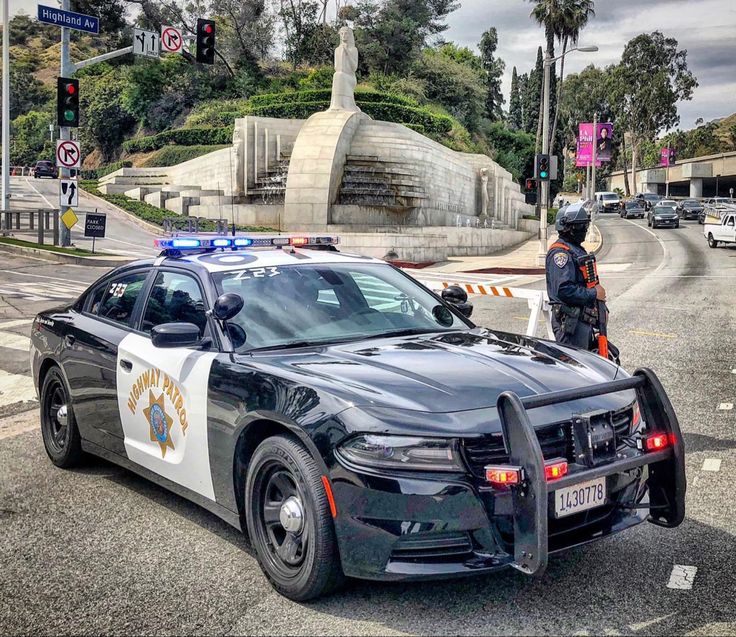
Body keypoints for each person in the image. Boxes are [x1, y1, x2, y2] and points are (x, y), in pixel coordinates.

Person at [546, 203, 607, 350]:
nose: (584, 230)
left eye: (585, 226)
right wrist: (594, 294)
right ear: (568, 228)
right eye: (580, 226)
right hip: (570, 324)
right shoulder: (561, 254)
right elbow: (564, 290)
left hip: (583, 320)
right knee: (574, 367)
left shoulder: (576, 249)